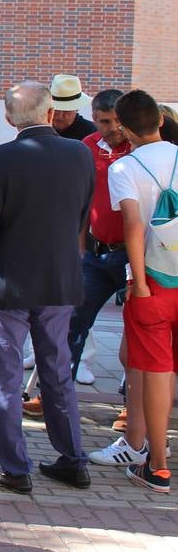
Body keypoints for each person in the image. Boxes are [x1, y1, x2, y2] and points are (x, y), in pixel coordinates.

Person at [0, 81, 93, 494]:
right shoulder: (80, 154)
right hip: (59, 277)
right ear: (49, 112)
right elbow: (80, 215)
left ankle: (15, 467)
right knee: (57, 371)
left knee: (4, 376)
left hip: (9, 281)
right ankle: (73, 459)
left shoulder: (0, 158)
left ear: (9, 117)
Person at [27, 91, 130, 418]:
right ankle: (52, 396)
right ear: (95, 118)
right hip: (96, 253)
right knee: (70, 322)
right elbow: (80, 198)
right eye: (103, 121)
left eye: (116, 121)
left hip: (133, 255)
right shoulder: (87, 146)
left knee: (136, 334)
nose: (111, 128)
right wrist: (79, 245)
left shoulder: (138, 148)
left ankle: (132, 406)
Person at [106, 89, 177, 493]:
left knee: (153, 371)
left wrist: (140, 282)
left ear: (126, 129)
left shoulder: (125, 168)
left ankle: (159, 465)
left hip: (154, 283)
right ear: (161, 120)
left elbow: (133, 226)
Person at [49, 73, 97, 141]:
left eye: (66, 111)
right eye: (56, 110)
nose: (60, 116)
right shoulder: (40, 130)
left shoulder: (92, 132)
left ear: (77, 109)